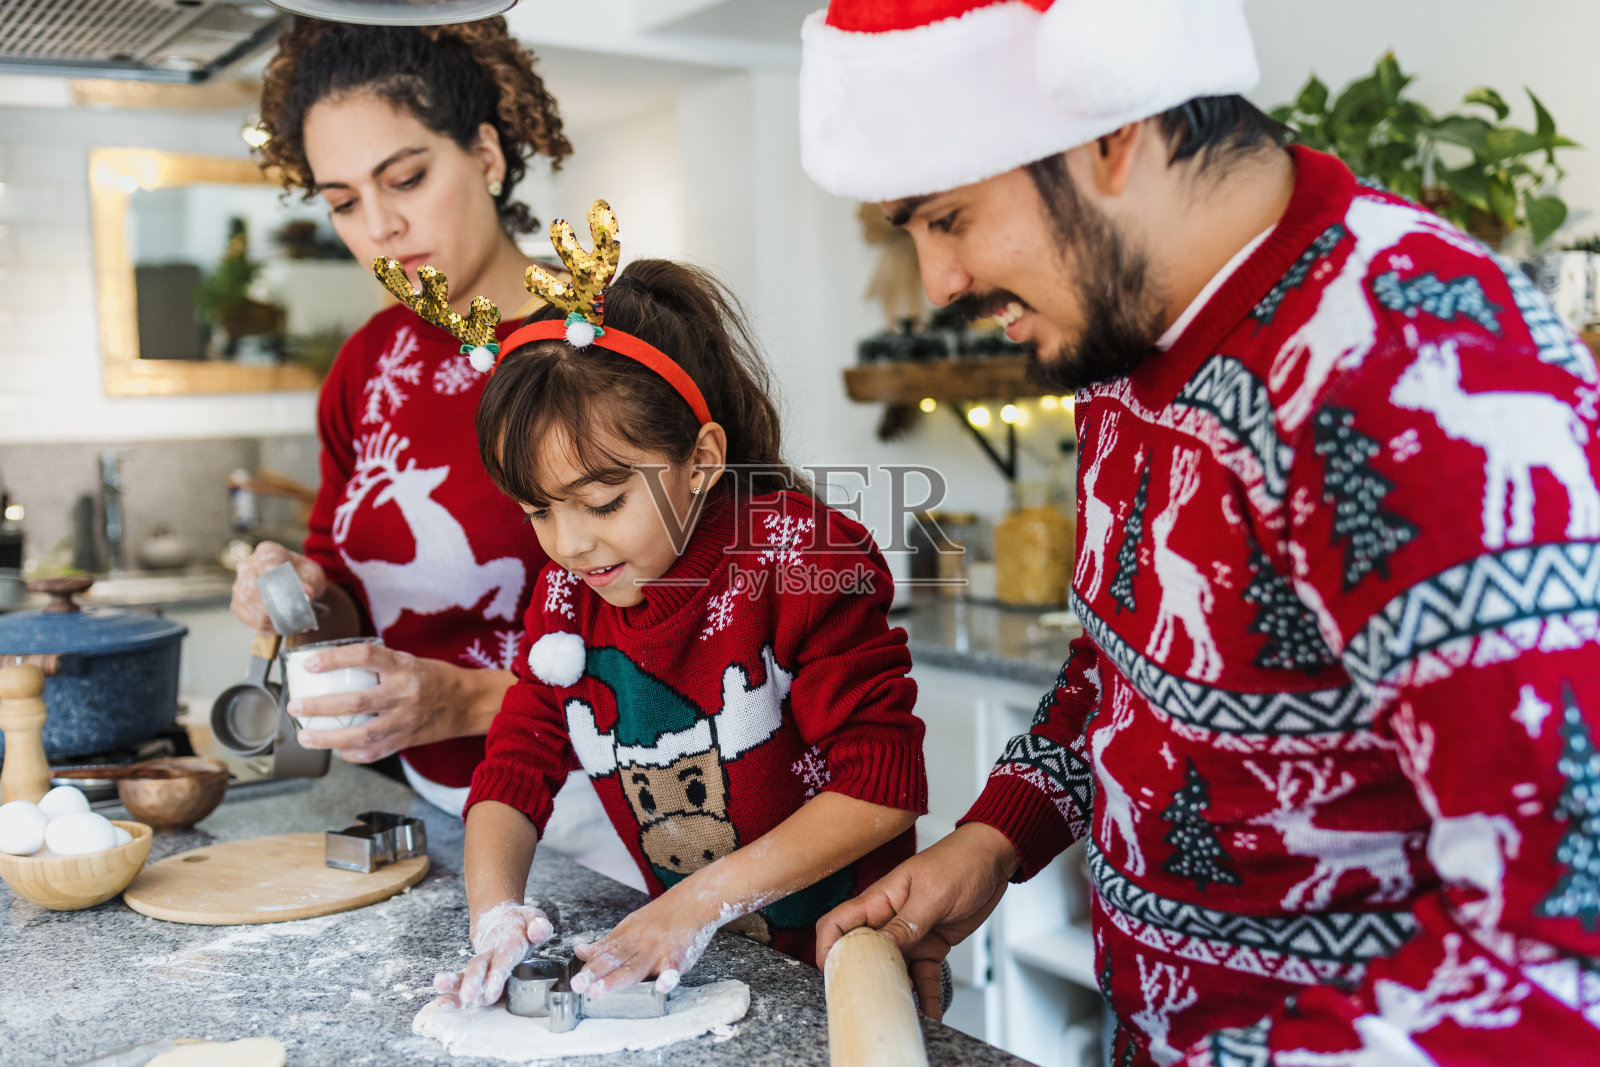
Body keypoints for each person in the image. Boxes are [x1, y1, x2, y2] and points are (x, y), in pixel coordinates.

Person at [801, 2, 1600, 1064]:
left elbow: (1555, 936)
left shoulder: (1411, 364)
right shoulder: (1127, 341)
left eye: (946, 217)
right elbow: (1121, 662)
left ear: (1110, 134)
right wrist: (997, 834)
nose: (939, 283)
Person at [415, 222, 927, 1009]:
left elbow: (880, 784)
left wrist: (689, 907)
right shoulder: (567, 598)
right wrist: (494, 918)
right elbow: (515, 769)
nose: (571, 544)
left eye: (604, 502)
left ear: (703, 459)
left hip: (854, 960)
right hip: (711, 967)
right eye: (537, 513)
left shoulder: (799, 558)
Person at [228, 18, 631, 884]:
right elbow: (347, 583)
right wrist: (302, 592)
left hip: (623, 813)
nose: (379, 227)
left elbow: (697, 623)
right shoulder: (370, 364)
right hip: (441, 813)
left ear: (486, 153)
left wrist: (470, 700)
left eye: (405, 177)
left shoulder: (605, 343)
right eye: (341, 201)